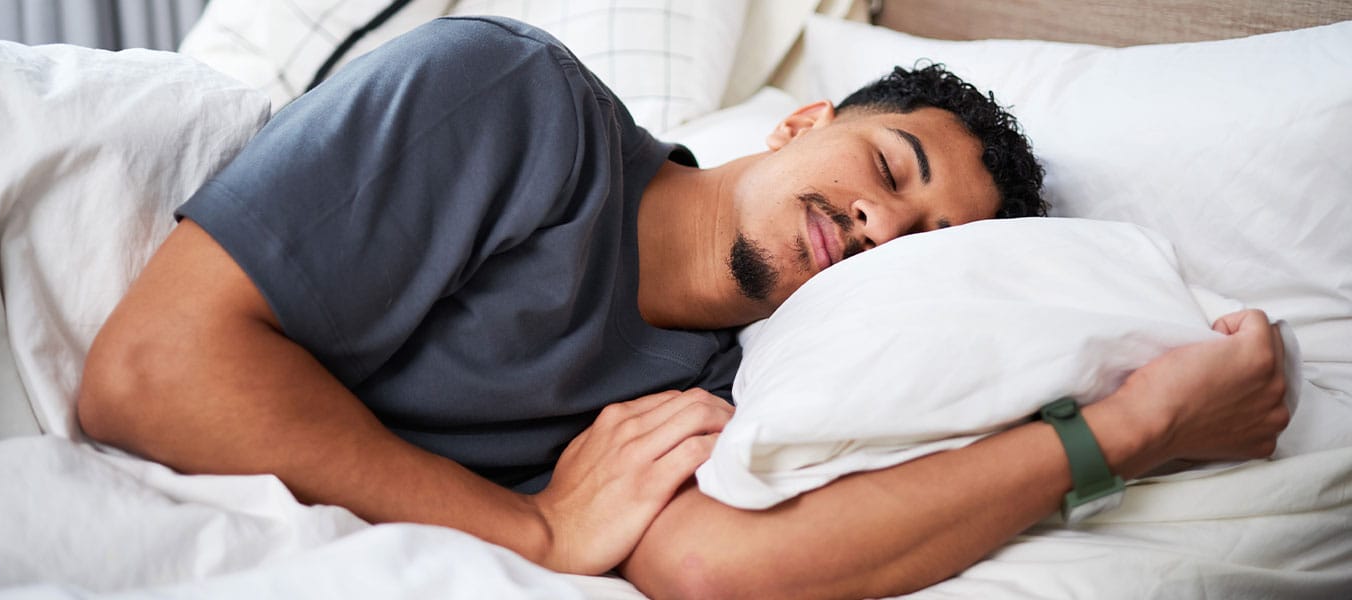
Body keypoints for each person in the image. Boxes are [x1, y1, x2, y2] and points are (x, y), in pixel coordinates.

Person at [77, 16, 1288, 598]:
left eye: (921, 250)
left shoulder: (736, 379)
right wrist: (537, 535)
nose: (878, 230)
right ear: (804, 121)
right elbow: (146, 372)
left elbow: (714, 568)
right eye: (889, 173)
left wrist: (1121, 435)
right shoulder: (508, 101)